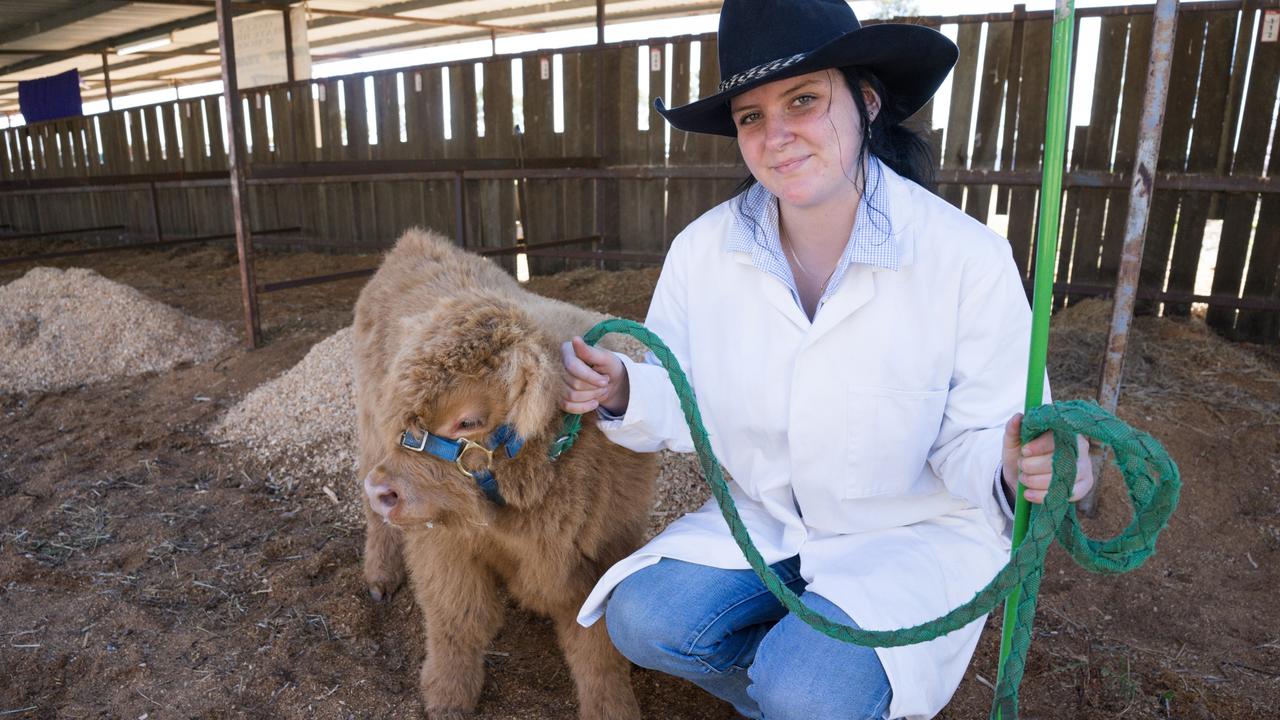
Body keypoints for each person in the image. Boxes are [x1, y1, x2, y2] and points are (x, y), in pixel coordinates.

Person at [559, 1, 1094, 718]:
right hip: (772, 519)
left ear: (865, 103)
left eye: (804, 100)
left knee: (803, 689)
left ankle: (814, 688)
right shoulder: (702, 252)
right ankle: (809, 691)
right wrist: (624, 389)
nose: (777, 136)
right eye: (751, 116)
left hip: (913, 535)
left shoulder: (965, 258)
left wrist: (1015, 460)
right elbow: (679, 396)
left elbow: (982, 438)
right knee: (643, 619)